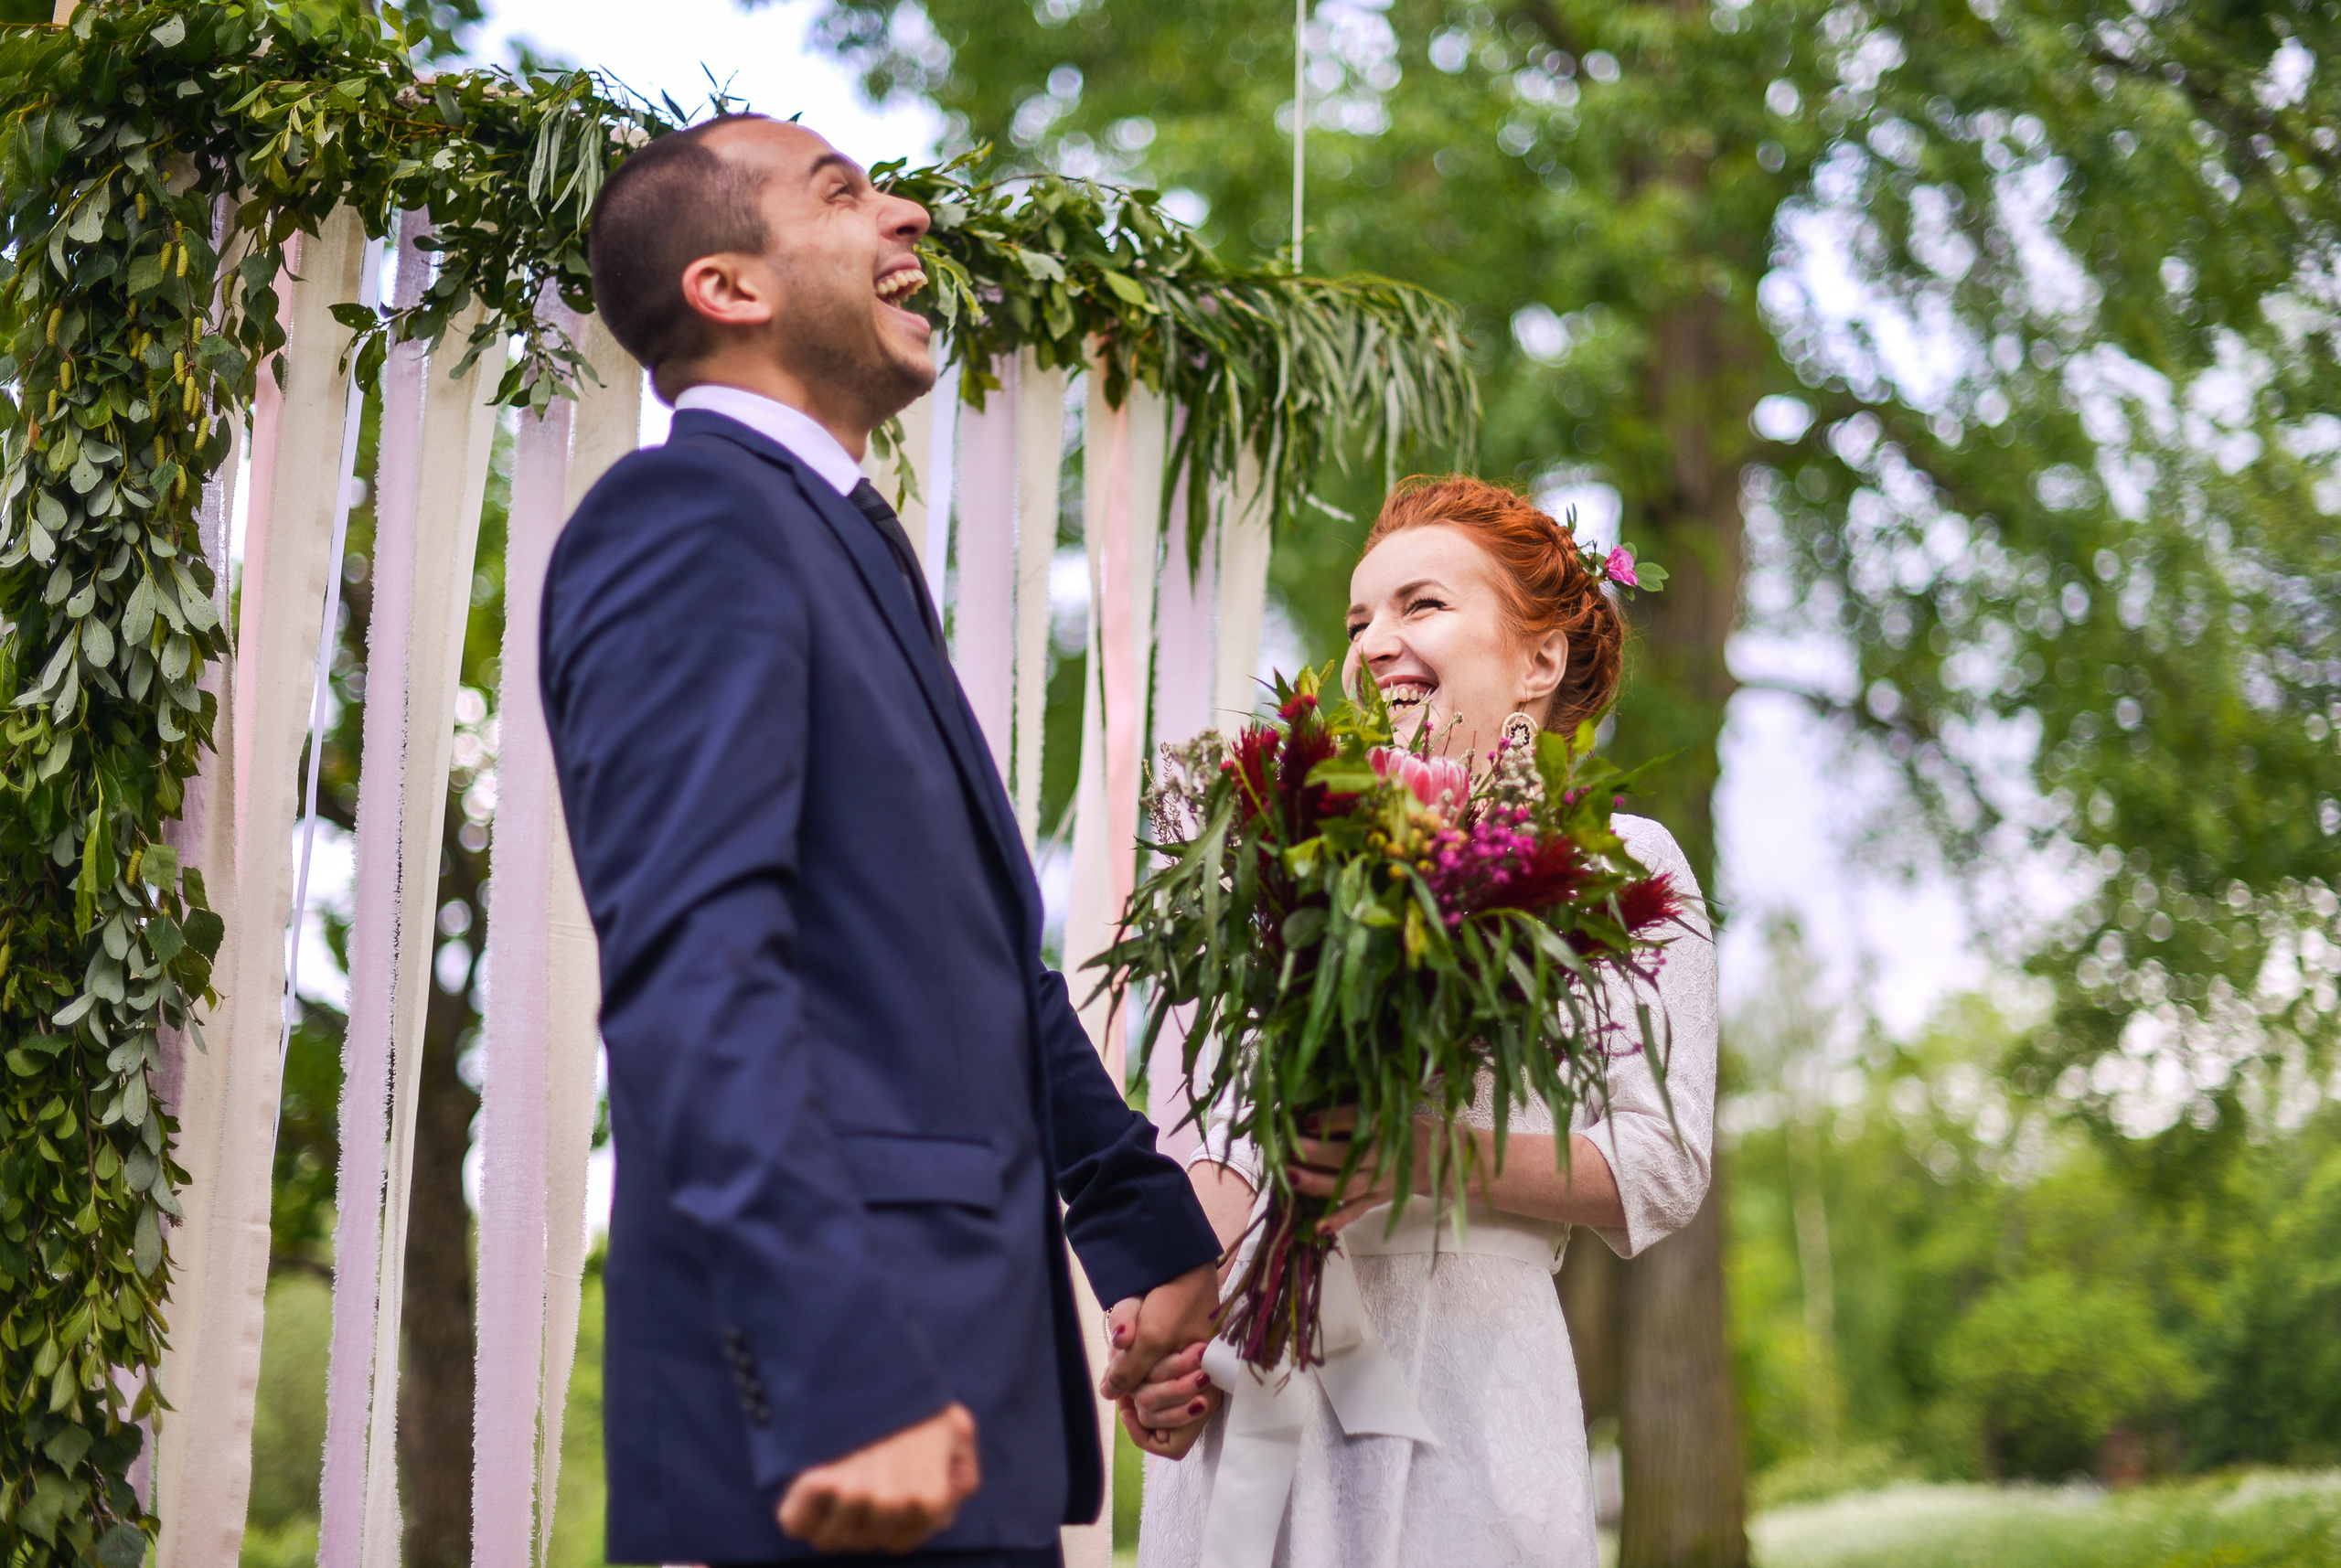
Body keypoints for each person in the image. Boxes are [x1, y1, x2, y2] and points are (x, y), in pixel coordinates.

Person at [542, 114, 1224, 1567]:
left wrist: (1137, 1214)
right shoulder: (689, 517)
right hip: (838, 1432)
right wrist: (833, 1365)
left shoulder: (839, 539)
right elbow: (696, 971)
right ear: (731, 287)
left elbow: (958, 954)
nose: (907, 213)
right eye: (844, 193)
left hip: (957, 1395)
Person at [1128, 476, 1719, 1568]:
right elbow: (1199, 1132)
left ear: (1540, 661)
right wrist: (1173, 1315)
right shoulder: (1263, 843)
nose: (1374, 643)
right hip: (1254, 1384)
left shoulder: (1625, 864)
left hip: (1470, 1389)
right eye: (1358, 620)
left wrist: (1426, 1154)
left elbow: (1665, 1160)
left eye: (1420, 606)